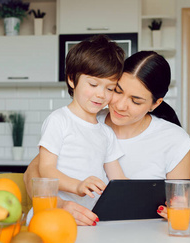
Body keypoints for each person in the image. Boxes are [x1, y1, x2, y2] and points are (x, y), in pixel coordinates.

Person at [24, 51, 190, 225]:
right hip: (81, 229)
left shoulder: (175, 140)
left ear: (155, 104)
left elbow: (179, 203)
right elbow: (33, 174)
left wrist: (172, 209)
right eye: (117, 91)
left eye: (136, 101)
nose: (120, 105)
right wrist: (60, 205)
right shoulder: (87, 121)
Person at [37, 35, 127, 214]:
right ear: (72, 79)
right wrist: (77, 186)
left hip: (91, 217)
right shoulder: (59, 120)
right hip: (57, 215)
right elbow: (45, 169)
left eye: (110, 88)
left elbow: (119, 180)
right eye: (93, 84)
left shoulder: (106, 132)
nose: (101, 94)